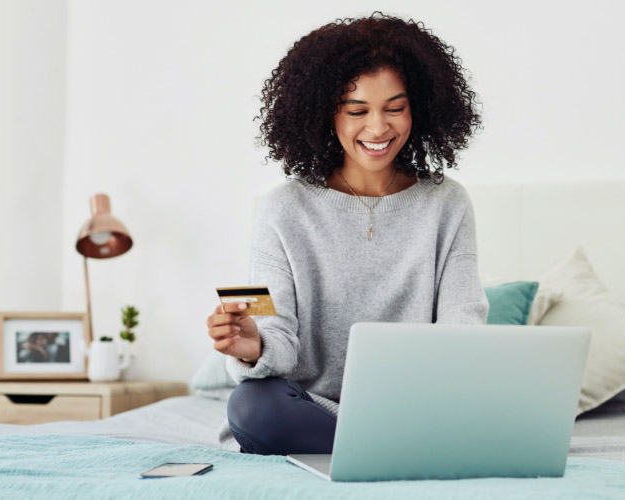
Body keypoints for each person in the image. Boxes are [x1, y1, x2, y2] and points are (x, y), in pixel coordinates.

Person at [206, 12, 488, 455]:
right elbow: (275, 333)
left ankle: (378, 445)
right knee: (253, 406)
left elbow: (462, 323)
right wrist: (251, 345)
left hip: (417, 408)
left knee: (486, 405)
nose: (378, 128)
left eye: (395, 108)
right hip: (308, 409)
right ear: (325, 114)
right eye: (358, 111)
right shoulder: (282, 209)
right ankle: (402, 449)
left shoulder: (446, 203)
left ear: (419, 107)